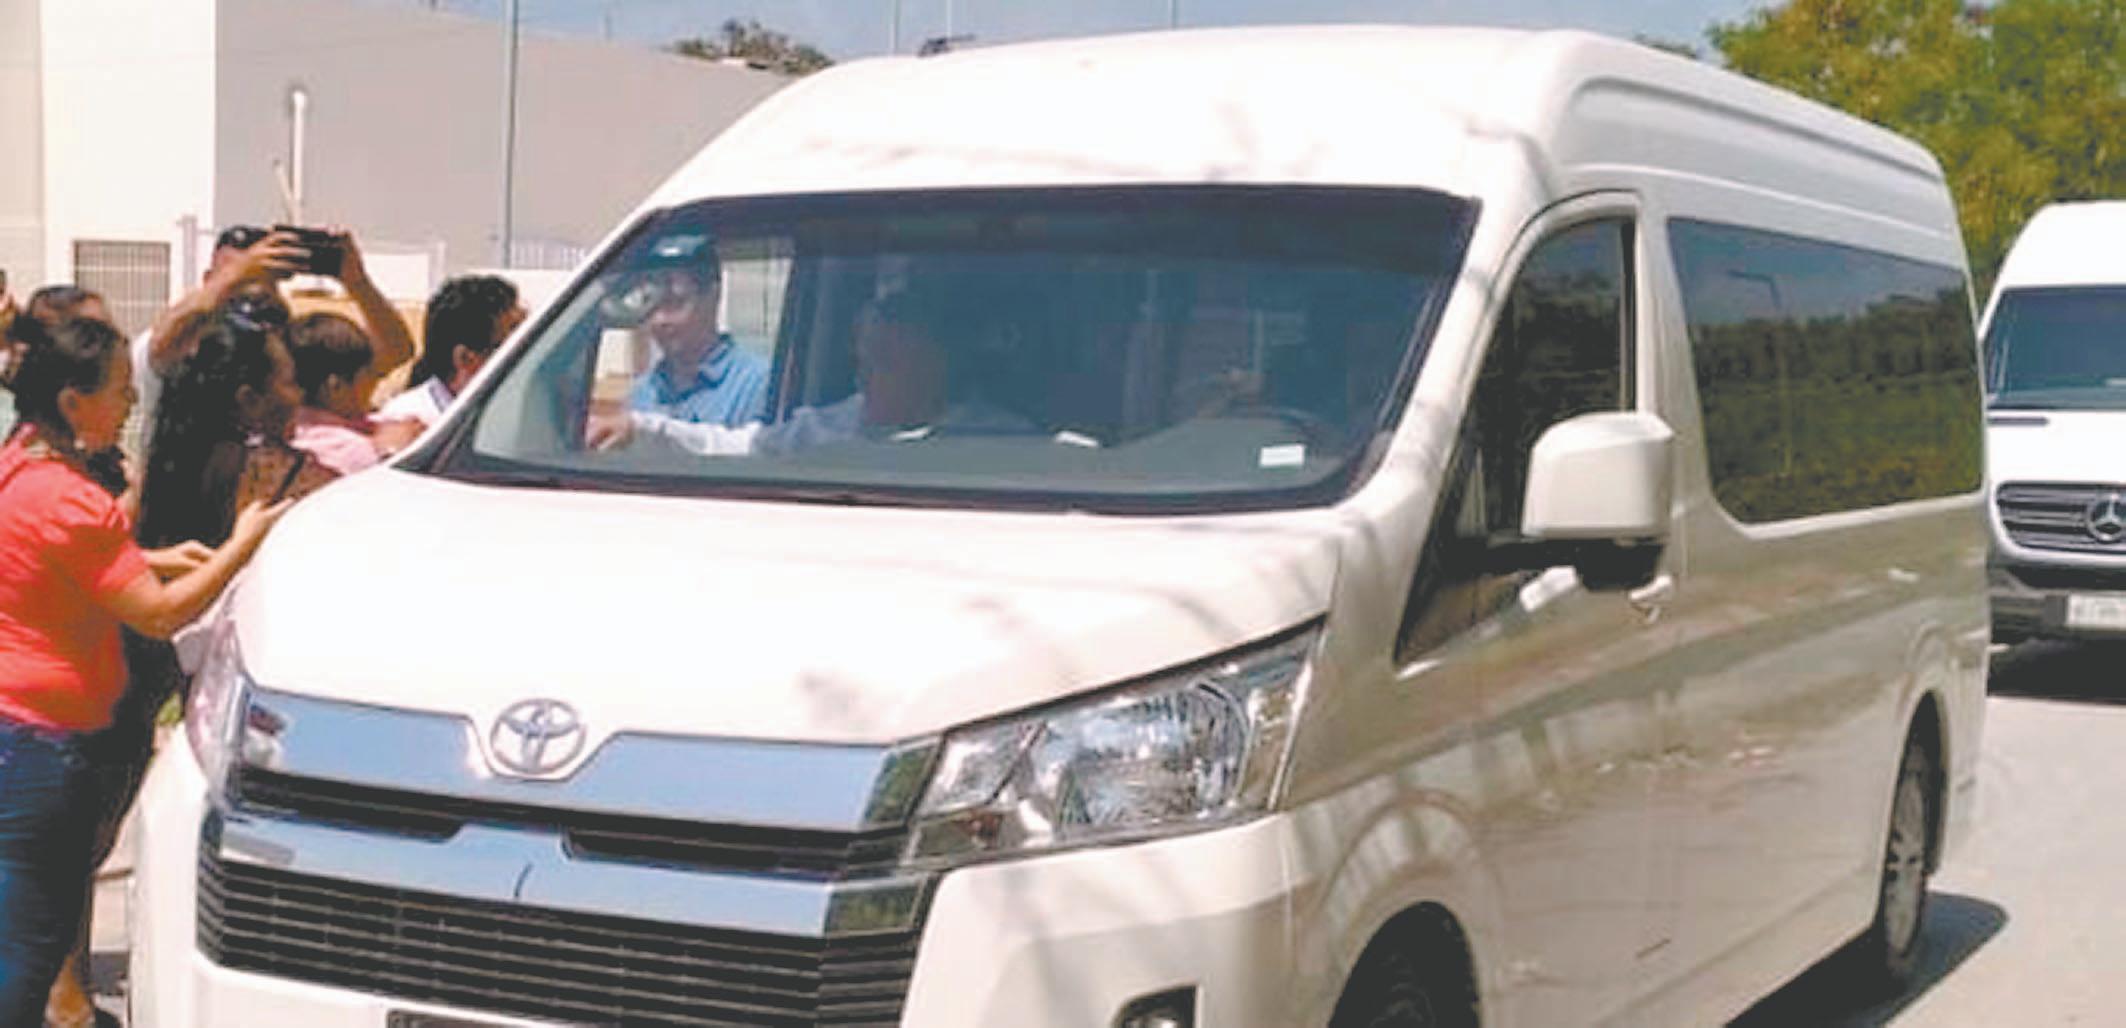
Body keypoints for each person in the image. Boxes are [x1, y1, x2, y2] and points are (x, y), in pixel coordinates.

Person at [0, 315, 284, 1024]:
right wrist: (241, 543)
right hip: (44, 741)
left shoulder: (20, 466)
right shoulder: (74, 500)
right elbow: (157, 616)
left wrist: (151, 557)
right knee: (31, 937)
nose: (131, 403)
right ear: (73, 402)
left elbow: (45, 557)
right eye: (121, 390)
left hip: (15, 724)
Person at [590, 288, 1027, 456]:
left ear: (936, 366)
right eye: (862, 360)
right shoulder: (833, 426)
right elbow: (735, 447)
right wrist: (637, 429)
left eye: (885, 361)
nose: (864, 377)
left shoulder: (1006, 444)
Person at [135, 226, 414, 461]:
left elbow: (394, 354)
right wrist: (238, 273)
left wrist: (357, 281)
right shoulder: (186, 344)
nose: (250, 289)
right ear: (210, 280)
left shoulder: (279, 347)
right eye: (239, 278)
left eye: (262, 277)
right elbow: (160, 345)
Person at [138, 292, 335, 553]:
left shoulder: (160, 468)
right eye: (290, 382)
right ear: (249, 400)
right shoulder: (296, 480)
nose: (299, 395)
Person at [373, 275, 525, 453]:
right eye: (513, 344)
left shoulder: (522, 411)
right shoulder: (410, 421)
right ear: (466, 359)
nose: (526, 352)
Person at [624, 260, 769, 427]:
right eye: (649, 304)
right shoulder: (643, 393)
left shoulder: (756, 386)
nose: (659, 320)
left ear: (713, 298)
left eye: (674, 303)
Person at [286, 312, 384, 475]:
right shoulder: (354, 451)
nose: (374, 383)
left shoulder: (281, 430)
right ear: (335, 385)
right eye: (368, 375)